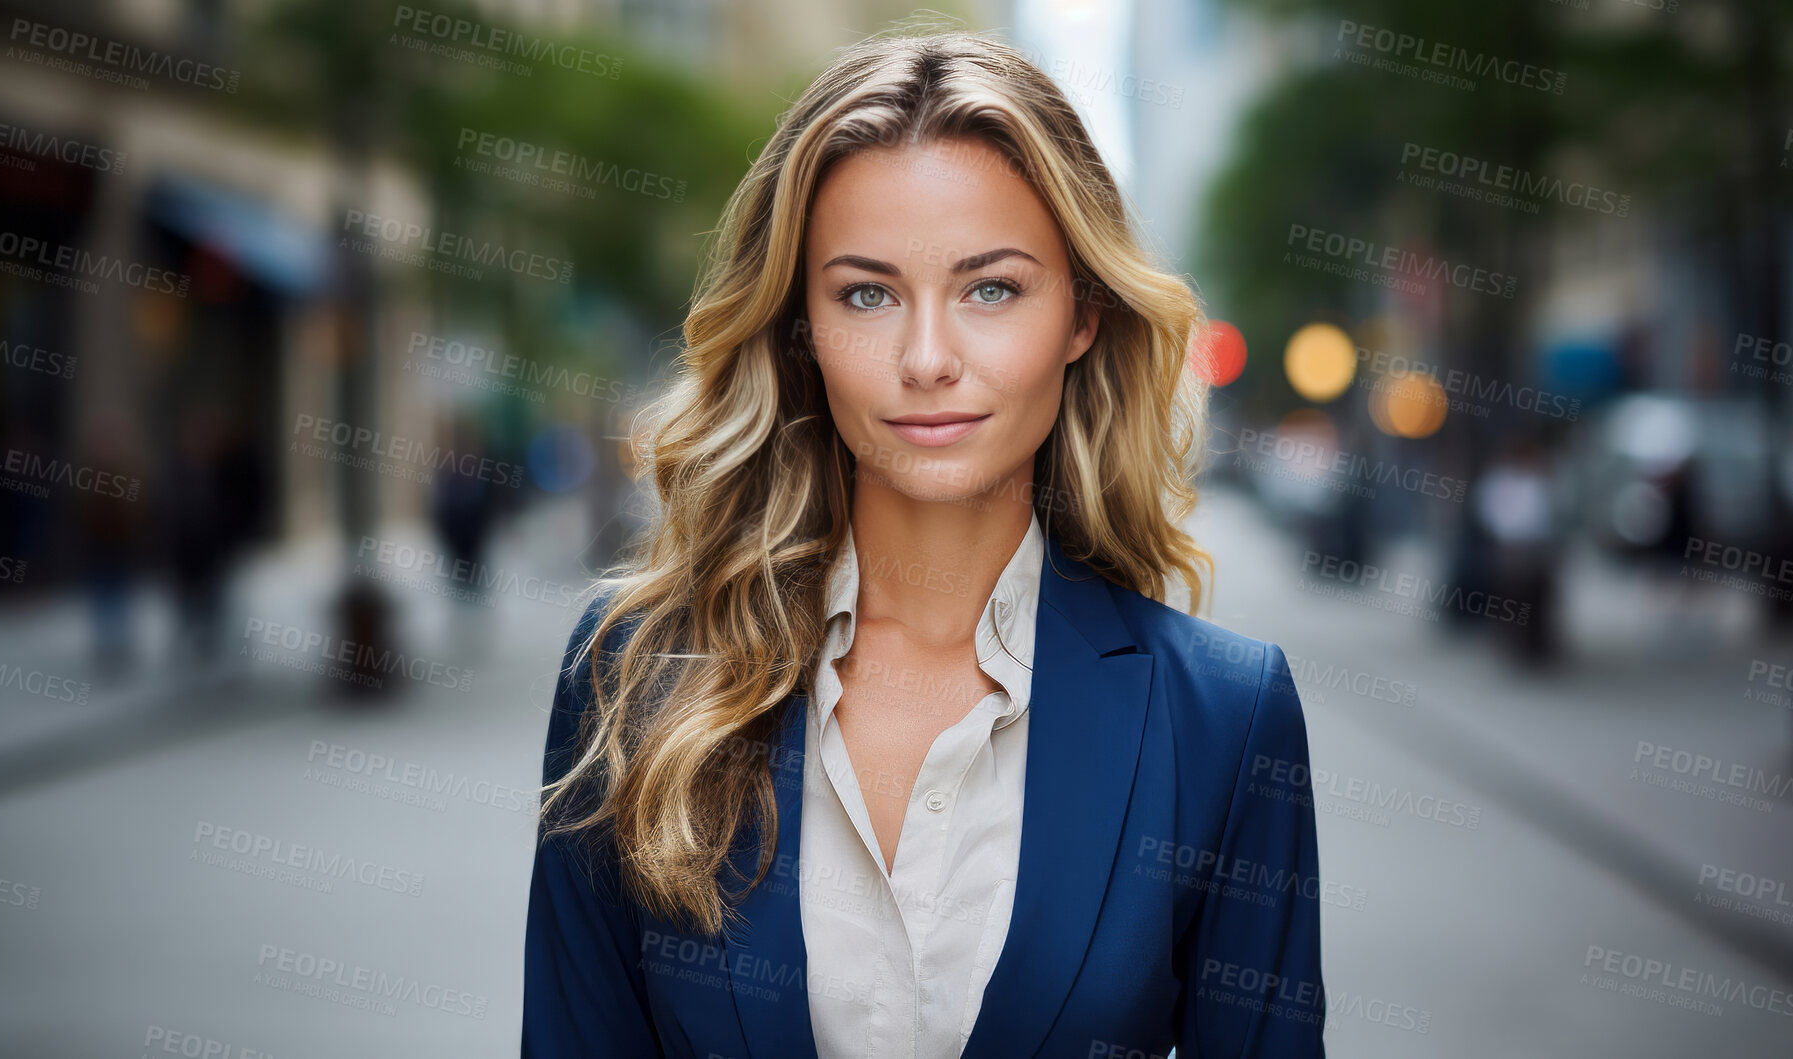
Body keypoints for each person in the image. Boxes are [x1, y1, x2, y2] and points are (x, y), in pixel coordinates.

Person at [522, 28, 1324, 1058]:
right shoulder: (636, 675)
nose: (927, 358)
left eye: (991, 289)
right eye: (866, 294)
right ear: (797, 327)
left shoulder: (1222, 718)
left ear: (1081, 313)